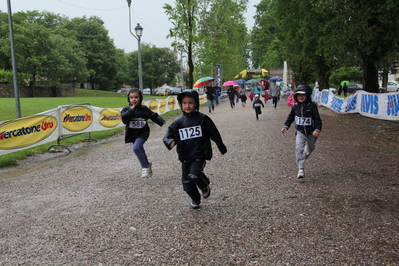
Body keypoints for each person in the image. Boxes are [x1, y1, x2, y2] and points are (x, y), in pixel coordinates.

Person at [163, 90, 227, 209]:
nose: (187, 106)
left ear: (196, 103)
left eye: (190, 103)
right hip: (185, 156)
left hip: (199, 154)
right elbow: (169, 135)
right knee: (187, 184)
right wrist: (170, 142)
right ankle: (195, 199)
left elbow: (214, 133)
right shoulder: (178, 122)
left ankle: (204, 184)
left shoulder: (203, 119)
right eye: (184, 103)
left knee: (195, 175)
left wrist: (221, 146)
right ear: (181, 104)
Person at [121, 88, 166, 178]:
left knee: (136, 148)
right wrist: (131, 110)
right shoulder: (126, 110)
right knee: (139, 148)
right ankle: (147, 164)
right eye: (131, 97)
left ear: (140, 98)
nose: (134, 99)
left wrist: (160, 121)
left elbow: (152, 115)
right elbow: (125, 120)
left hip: (142, 132)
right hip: (132, 133)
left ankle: (144, 167)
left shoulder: (144, 109)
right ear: (129, 99)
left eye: (136, 97)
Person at [280, 85, 322, 179]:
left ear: (307, 96)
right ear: (296, 96)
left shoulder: (312, 106)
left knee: (310, 149)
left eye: (303, 95)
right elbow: (290, 117)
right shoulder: (295, 107)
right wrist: (286, 126)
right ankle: (301, 169)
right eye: (299, 95)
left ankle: (306, 153)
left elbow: (317, 119)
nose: (301, 97)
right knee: (298, 148)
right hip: (300, 132)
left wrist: (317, 129)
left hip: (311, 133)